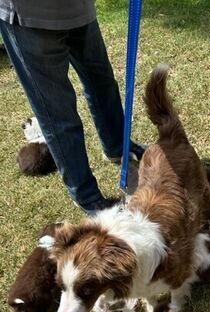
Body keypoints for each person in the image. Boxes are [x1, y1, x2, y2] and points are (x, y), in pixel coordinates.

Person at [0, 1, 145, 215]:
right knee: (58, 113)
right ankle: (87, 196)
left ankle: (117, 146)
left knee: (102, 82)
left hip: (78, 8)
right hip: (31, 16)